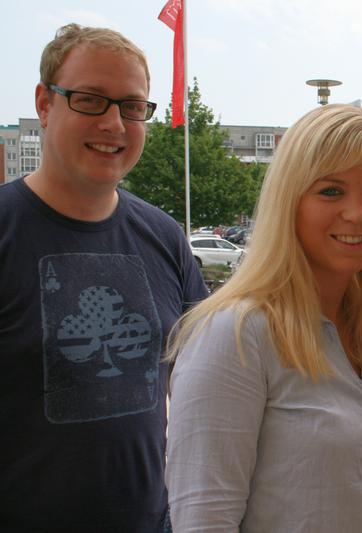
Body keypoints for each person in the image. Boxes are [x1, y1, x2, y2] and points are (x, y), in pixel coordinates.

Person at [165, 104, 362, 532]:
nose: (357, 213)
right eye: (331, 191)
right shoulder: (236, 336)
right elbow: (204, 520)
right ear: (290, 200)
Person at [0, 24, 207, 531]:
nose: (115, 123)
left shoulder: (164, 236)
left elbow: (202, 384)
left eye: (132, 106)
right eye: (91, 100)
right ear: (45, 105)